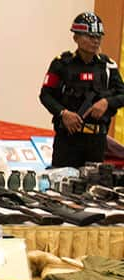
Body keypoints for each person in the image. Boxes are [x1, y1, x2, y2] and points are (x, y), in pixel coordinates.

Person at [39, 12, 124, 168]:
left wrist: (107, 102)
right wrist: (63, 113)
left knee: (93, 187)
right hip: (68, 139)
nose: (95, 40)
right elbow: (45, 95)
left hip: (96, 140)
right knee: (62, 183)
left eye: (98, 36)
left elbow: (122, 94)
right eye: (90, 36)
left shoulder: (108, 66)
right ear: (76, 38)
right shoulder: (62, 64)